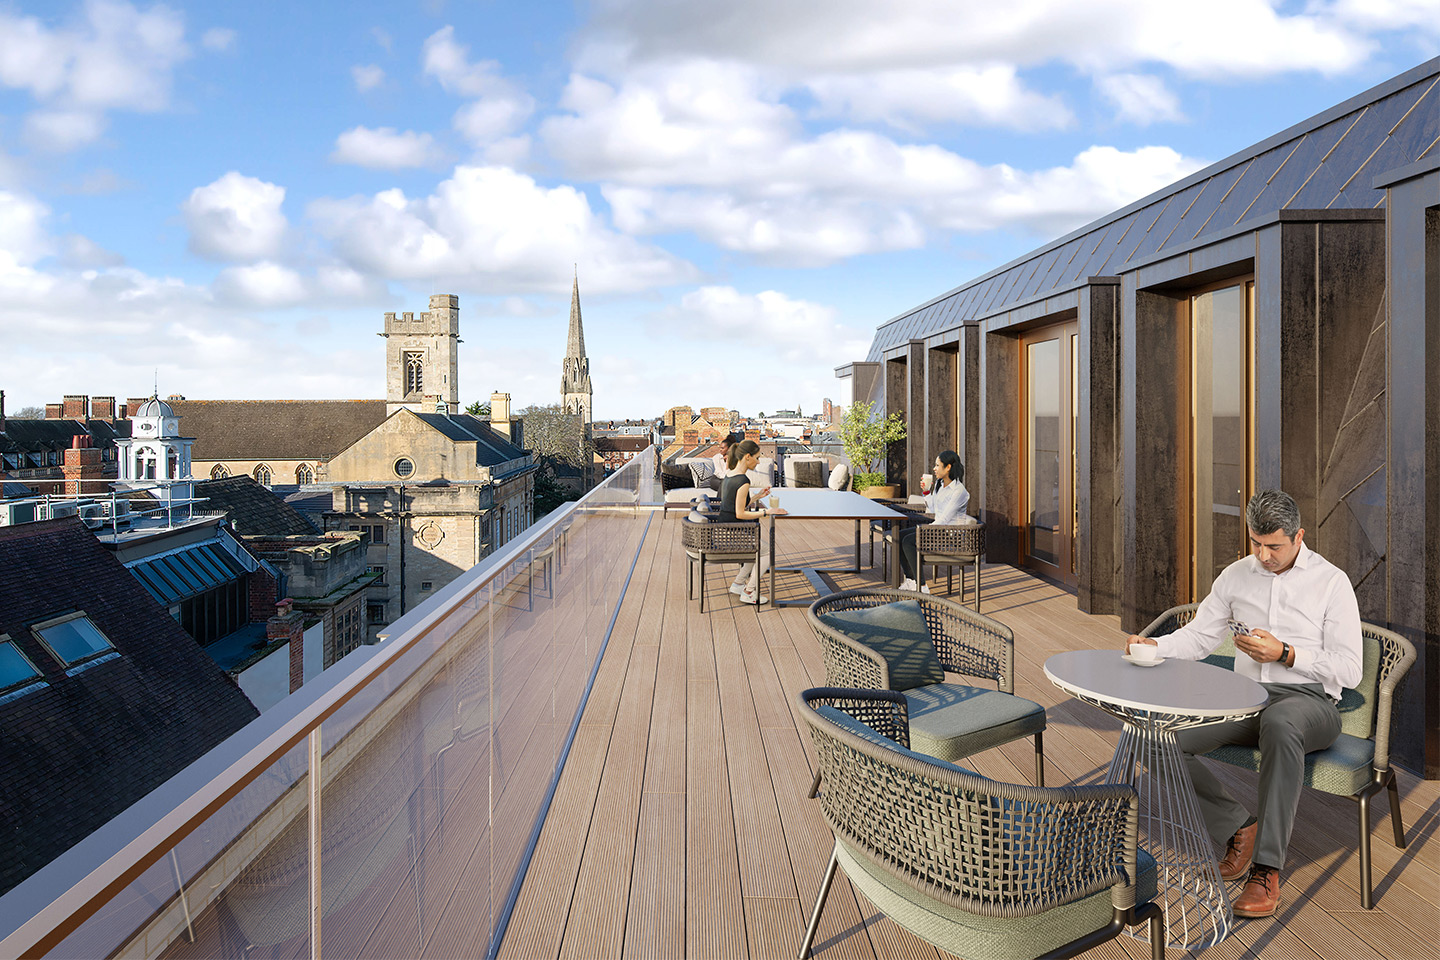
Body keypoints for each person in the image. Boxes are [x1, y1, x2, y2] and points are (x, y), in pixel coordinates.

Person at [1125, 489, 1362, 919]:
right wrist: (1155, 644)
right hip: (1246, 701)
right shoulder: (1236, 576)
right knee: (1151, 736)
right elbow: (1199, 636)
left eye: (1274, 546)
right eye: (1256, 543)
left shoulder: (1331, 582)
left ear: (1298, 536)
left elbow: (1350, 670)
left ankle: (1266, 869)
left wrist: (1286, 653)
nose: (1264, 554)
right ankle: (1239, 827)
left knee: (1282, 724)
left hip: (1310, 703)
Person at [716, 439, 785, 604]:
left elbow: (734, 505)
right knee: (767, 552)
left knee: (756, 550)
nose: (759, 461)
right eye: (757, 457)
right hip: (732, 533)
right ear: (747, 457)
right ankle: (748, 591)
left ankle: (738, 584)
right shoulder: (743, 481)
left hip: (724, 530)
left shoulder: (730, 475)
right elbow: (740, 513)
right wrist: (766, 512)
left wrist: (756, 497)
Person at [896, 450, 971, 592]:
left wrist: (924, 530)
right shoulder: (940, 484)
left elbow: (945, 518)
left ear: (948, 467)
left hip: (951, 535)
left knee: (908, 541)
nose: (934, 469)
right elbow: (933, 509)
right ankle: (912, 581)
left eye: (937, 465)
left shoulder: (959, 491)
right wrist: (926, 491)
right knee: (899, 537)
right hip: (938, 529)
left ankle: (922, 585)